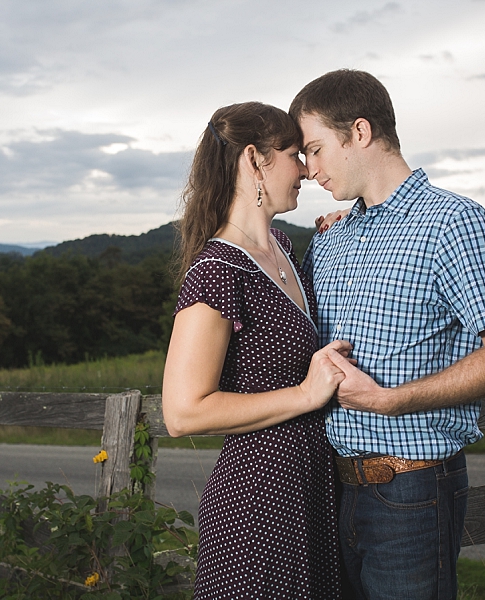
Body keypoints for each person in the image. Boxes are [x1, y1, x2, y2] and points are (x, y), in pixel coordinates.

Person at [290, 70, 485, 600]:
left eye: (314, 150)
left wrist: (390, 400)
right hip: (329, 491)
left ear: (359, 132)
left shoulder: (453, 222)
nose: (309, 171)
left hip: (412, 491)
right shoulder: (331, 240)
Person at [162, 101, 351, 599]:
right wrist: (305, 395)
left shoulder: (284, 250)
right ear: (254, 159)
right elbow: (182, 412)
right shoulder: (218, 272)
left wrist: (339, 241)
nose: (307, 172)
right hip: (258, 506)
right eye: (294, 154)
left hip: (309, 490)